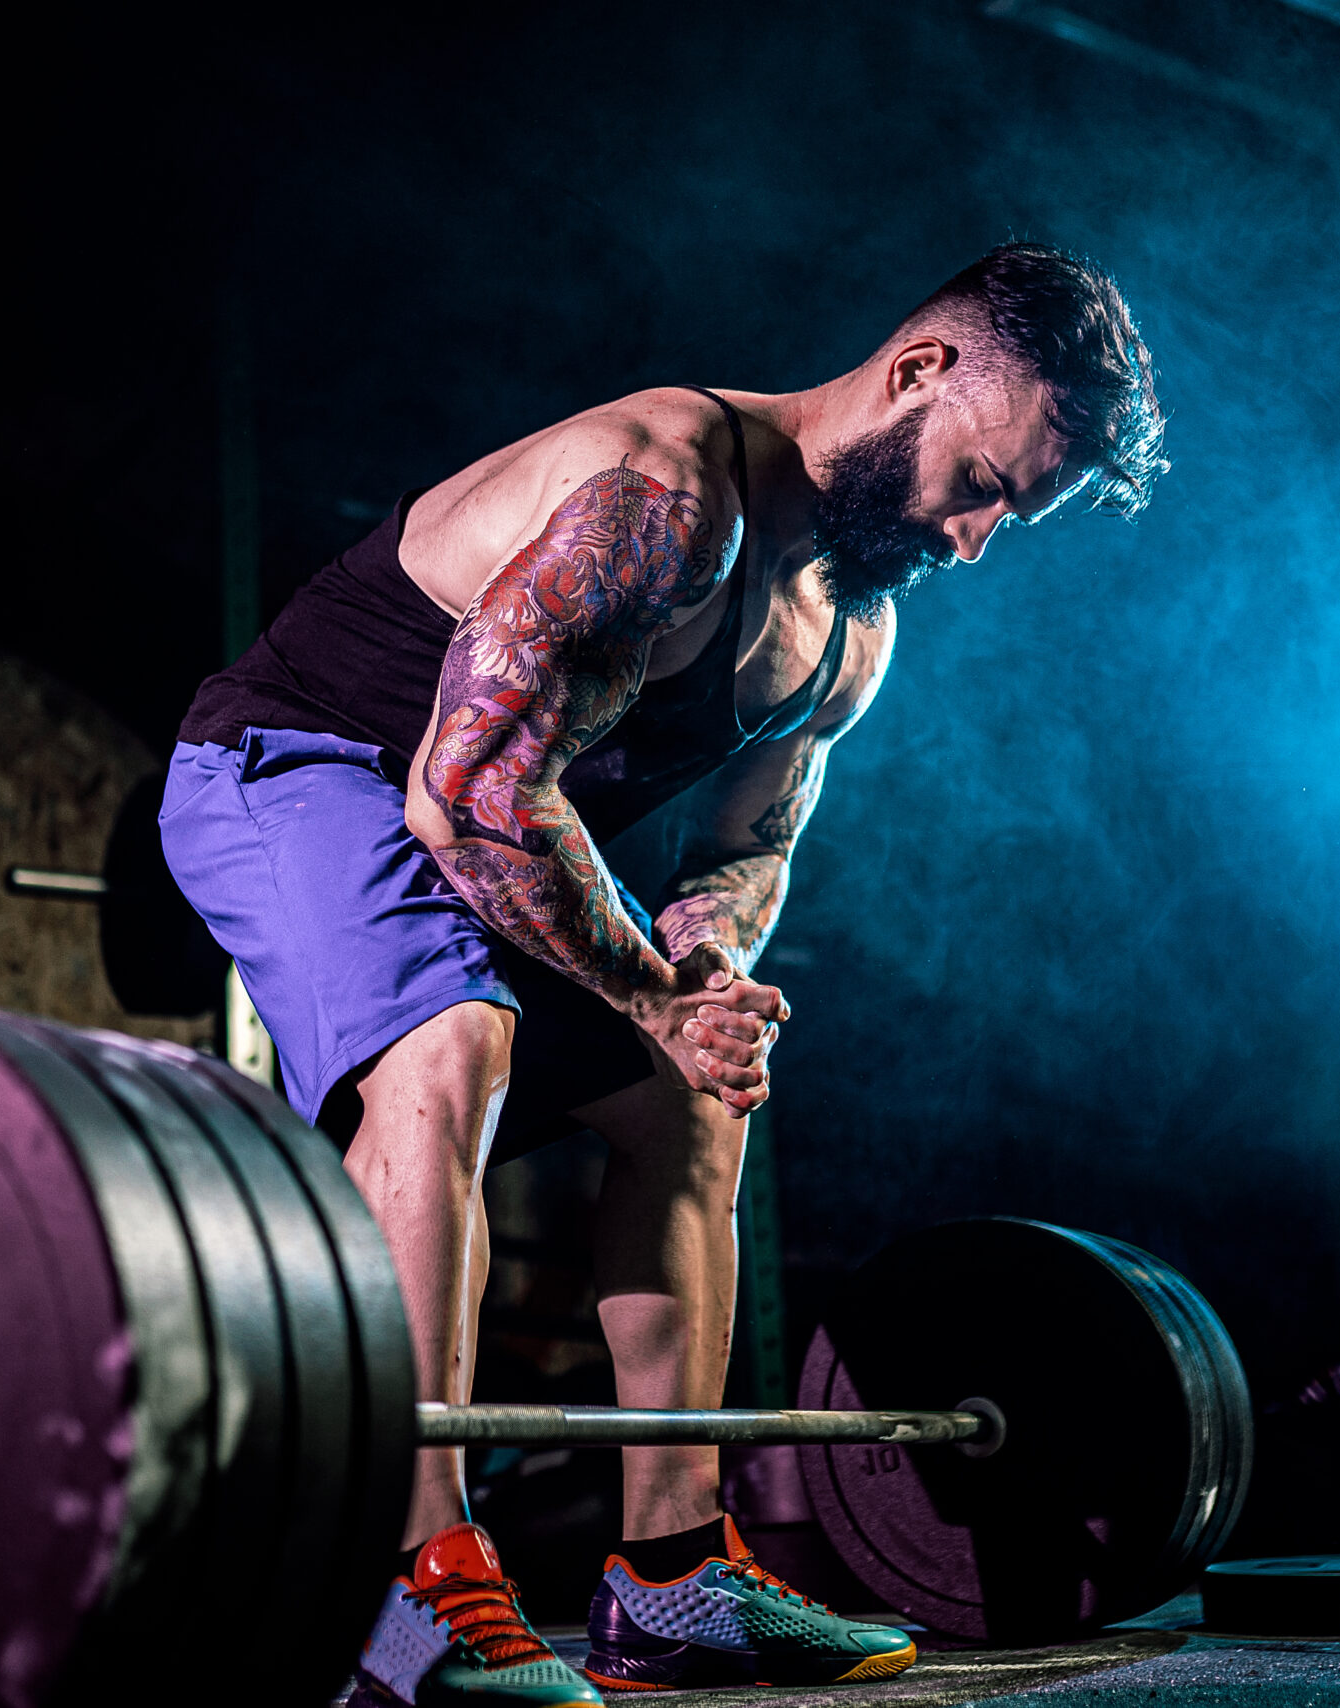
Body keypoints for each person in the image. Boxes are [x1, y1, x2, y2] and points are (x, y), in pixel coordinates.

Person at [162, 242, 1164, 1705]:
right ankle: (409, 1578)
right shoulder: (667, 491)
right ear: (921, 372)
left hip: (483, 816)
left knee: (694, 1103)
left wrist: (701, 985)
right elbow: (472, 793)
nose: (972, 543)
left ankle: (671, 1575)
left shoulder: (849, 636)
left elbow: (746, 853)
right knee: (454, 1040)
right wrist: (648, 994)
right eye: (985, 486)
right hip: (295, 767)